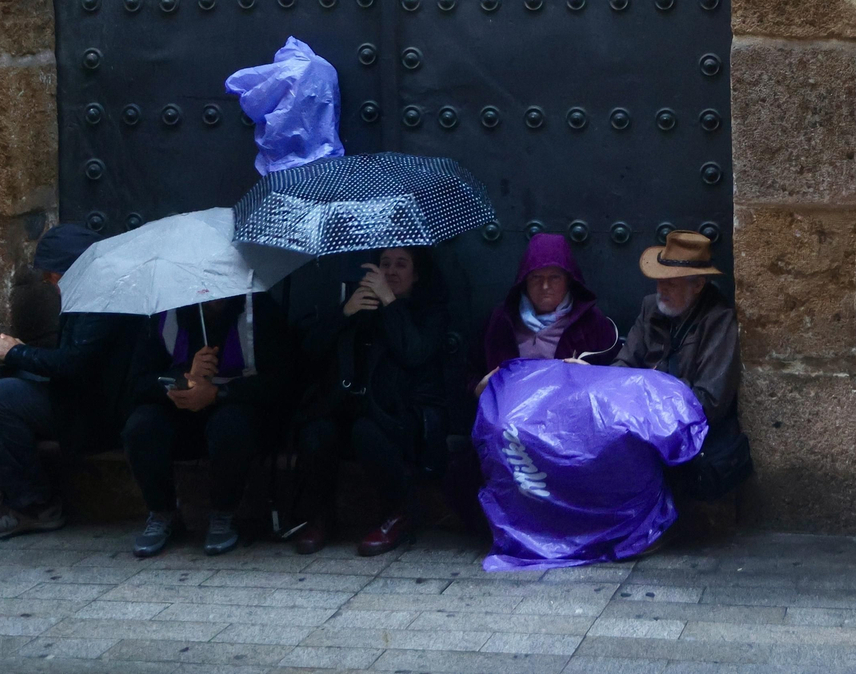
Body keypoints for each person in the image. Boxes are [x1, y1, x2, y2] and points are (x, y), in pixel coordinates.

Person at [0, 223, 141, 541]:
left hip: (98, 415)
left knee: (2, 397)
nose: (48, 282)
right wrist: (17, 355)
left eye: (52, 274)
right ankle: (15, 496)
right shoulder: (88, 293)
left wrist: (17, 352)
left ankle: (34, 506)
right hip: (80, 398)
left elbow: (74, 364)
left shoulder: (103, 301)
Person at [293, 247, 451, 557]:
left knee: (365, 431)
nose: (390, 271)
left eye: (401, 265)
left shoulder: (431, 312)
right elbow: (309, 354)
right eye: (384, 263)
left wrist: (390, 303)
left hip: (403, 418)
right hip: (353, 410)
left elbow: (414, 353)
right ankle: (322, 516)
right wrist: (344, 313)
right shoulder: (360, 307)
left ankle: (398, 514)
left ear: (416, 275)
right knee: (318, 431)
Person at [121, 291, 296, 557]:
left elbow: (282, 380)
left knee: (230, 426)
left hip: (238, 411)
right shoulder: (165, 313)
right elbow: (138, 383)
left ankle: (224, 513)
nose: (213, 295)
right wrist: (184, 379)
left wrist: (218, 394)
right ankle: (163, 513)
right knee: (141, 427)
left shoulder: (259, 310)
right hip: (180, 412)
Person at [593, 230, 753, 502]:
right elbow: (624, 363)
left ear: (698, 285)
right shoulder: (651, 308)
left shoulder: (718, 321)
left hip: (684, 427)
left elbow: (710, 402)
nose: (661, 289)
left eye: (672, 283)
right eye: (659, 281)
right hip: (640, 417)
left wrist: (655, 388)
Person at [475, 233, 621, 396]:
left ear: (568, 281)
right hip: (510, 416)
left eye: (555, 278)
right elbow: (473, 373)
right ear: (524, 281)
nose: (545, 286)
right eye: (536, 277)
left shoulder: (591, 322)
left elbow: (615, 385)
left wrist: (591, 376)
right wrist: (479, 389)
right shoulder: (502, 319)